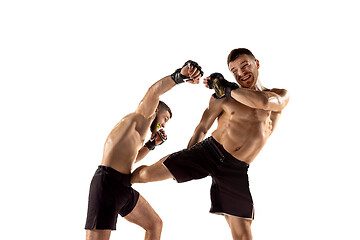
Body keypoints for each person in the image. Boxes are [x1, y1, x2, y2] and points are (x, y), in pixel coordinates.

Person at [131, 48, 290, 240]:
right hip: (208, 151)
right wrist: (185, 158)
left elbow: (264, 102)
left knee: (243, 236)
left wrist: (228, 87)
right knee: (147, 174)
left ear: (256, 63)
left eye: (245, 65)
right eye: (234, 70)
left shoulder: (279, 95)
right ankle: (115, 178)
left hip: (236, 169)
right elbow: (202, 128)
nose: (240, 73)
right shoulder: (222, 97)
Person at [84, 60, 203, 240]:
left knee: (155, 225)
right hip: (107, 183)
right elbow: (154, 91)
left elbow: (132, 160)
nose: (164, 124)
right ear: (155, 110)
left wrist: (151, 145)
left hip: (123, 185)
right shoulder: (140, 117)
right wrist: (180, 76)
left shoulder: (138, 134)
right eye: (165, 118)